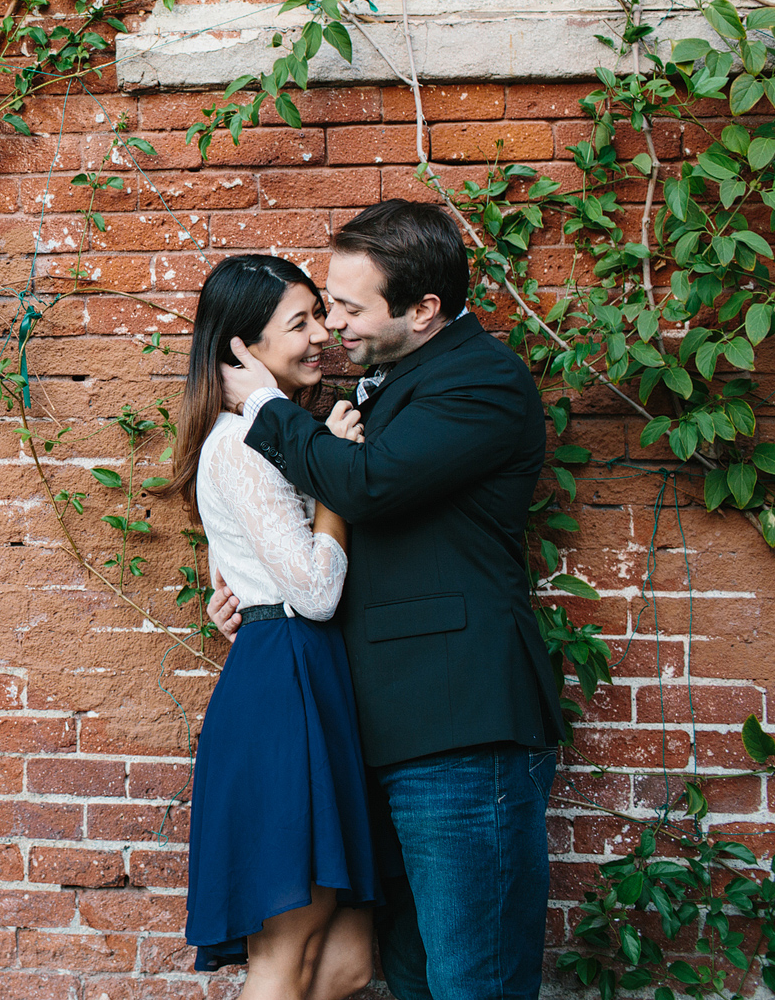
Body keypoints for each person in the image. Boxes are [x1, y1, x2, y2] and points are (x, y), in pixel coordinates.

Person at [211, 199, 563, 1000]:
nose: (332, 325)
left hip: (462, 733)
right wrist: (247, 594)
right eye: (327, 304)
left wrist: (266, 407)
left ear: (425, 309)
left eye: (347, 306)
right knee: (409, 976)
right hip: (379, 733)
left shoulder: (483, 383)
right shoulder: (393, 384)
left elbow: (365, 487)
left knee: (475, 980)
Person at [162, 253, 376, 1000]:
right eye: (301, 322)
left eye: (321, 314)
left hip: (299, 675)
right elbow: (315, 591)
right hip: (285, 685)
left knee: (348, 957)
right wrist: (338, 479)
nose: (322, 333)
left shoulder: (265, 436)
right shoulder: (242, 444)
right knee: (282, 955)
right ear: (241, 351)